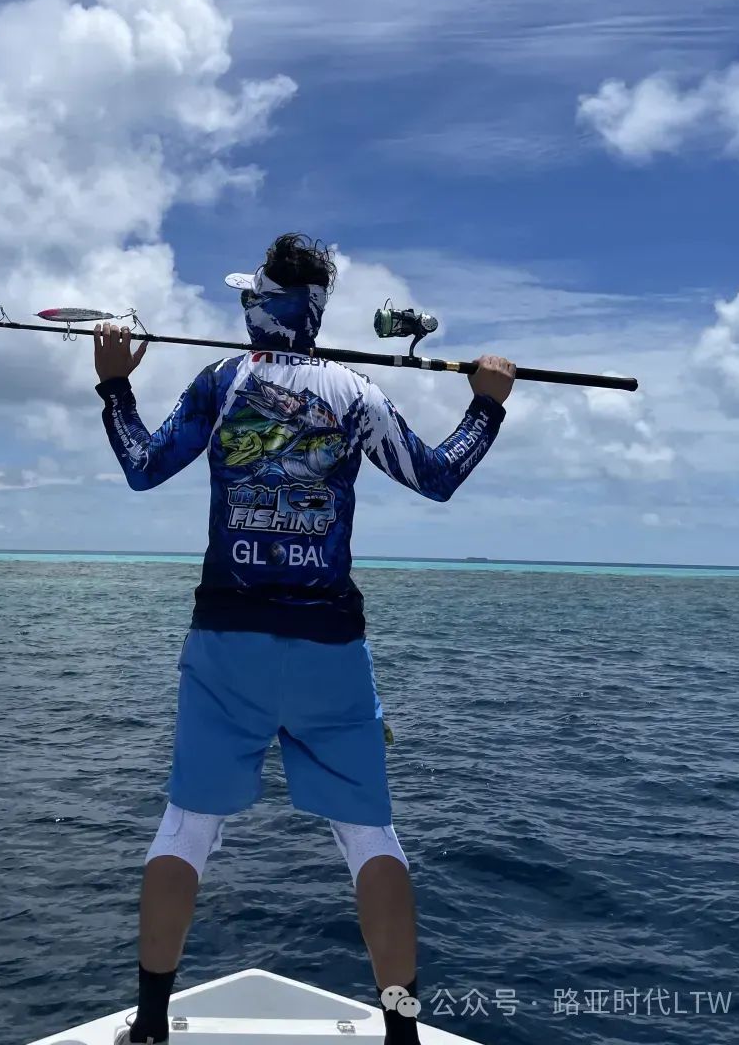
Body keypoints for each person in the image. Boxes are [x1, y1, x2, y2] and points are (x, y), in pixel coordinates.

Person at [93, 234, 515, 1045]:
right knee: (370, 840)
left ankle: (149, 1027)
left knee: (184, 829)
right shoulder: (356, 393)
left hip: (227, 642)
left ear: (262, 300)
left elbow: (144, 466)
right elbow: (439, 475)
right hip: (330, 646)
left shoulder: (222, 383)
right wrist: (487, 404)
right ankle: (401, 1035)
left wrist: (115, 389)